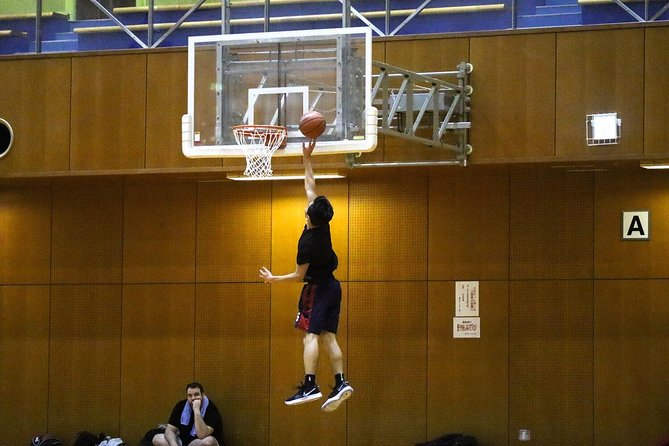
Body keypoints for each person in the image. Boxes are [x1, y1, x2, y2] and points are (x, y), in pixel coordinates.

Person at [259, 139, 354, 412]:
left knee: (310, 337)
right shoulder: (323, 222)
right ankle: (340, 382)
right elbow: (310, 185)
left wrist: (274, 279)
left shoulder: (308, 244)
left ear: (309, 217)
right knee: (327, 336)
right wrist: (307, 158)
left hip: (318, 288)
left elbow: (300, 276)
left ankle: (310, 384)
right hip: (334, 287)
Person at [152, 382, 223, 446]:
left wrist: (196, 411)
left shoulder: (211, 408)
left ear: (203, 395)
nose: (193, 398)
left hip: (199, 442)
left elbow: (202, 435)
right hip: (183, 441)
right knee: (157, 438)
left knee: (209, 441)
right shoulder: (181, 405)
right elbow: (170, 430)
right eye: (190, 395)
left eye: (196, 395)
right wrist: (174, 444)